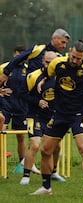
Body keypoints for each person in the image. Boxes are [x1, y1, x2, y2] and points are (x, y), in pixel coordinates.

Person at [30, 40, 83, 196]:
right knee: (46, 150)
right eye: (73, 57)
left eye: (79, 59)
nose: (75, 61)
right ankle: (46, 188)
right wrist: (42, 81)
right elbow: (48, 74)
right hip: (60, 113)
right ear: (69, 52)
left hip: (79, 113)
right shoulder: (57, 63)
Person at [20, 51, 65, 185]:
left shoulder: (61, 77)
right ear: (42, 61)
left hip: (53, 117)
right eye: (47, 62)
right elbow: (22, 94)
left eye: (52, 62)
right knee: (34, 145)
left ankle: (54, 172)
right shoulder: (33, 76)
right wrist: (37, 101)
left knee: (56, 147)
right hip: (35, 115)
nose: (49, 65)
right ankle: (26, 176)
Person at [0, 45, 41, 173]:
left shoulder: (29, 70)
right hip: (5, 105)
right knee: (2, 133)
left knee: (21, 137)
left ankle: (22, 162)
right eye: (18, 55)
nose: (20, 58)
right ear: (14, 55)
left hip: (21, 107)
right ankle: (2, 162)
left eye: (23, 55)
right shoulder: (4, 68)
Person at [0, 28, 70, 84]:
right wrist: (6, 73)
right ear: (54, 38)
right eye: (63, 42)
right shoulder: (39, 49)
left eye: (66, 43)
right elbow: (18, 58)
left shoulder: (59, 57)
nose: (64, 46)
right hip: (29, 89)